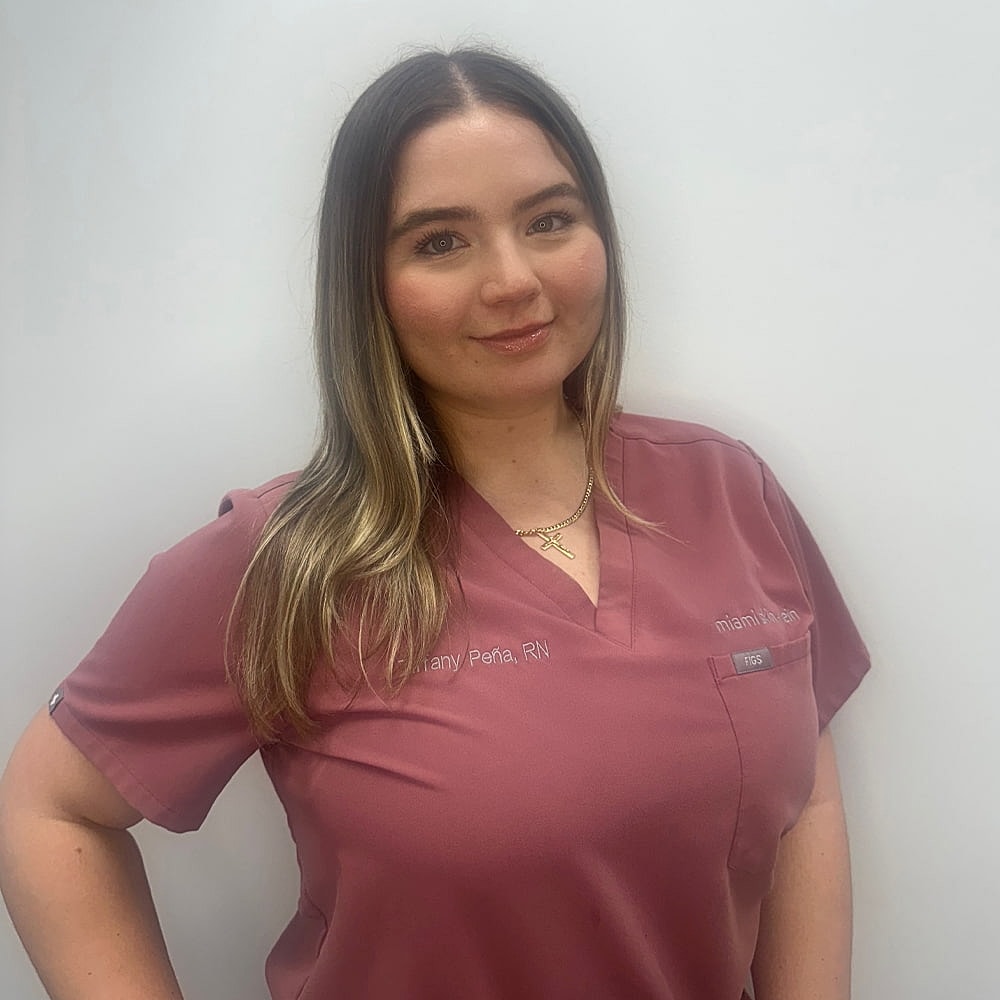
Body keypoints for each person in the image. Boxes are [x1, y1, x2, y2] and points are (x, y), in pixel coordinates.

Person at [0, 47, 869, 1000]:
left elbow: (807, 785)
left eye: (548, 220)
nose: (512, 281)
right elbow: (49, 809)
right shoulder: (285, 560)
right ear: (366, 282)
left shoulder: (730, 492)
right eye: (440, 242)